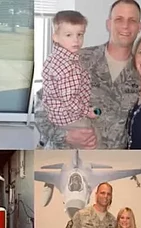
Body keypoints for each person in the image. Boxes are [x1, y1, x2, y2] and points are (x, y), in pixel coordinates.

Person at [34, 0, 141, 149]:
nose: (125, 26)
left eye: (132, 20)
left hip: (109, 162)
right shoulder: (77, 59)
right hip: (65, 156)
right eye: (119, 19)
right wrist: (64, 135)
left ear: (139, 27)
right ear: (108, 23)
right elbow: (42, 106)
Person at [41, 11, 101, 149]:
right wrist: (87, 111)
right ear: (55, 37)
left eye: (80, 34)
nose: (76, 40)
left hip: (57, 117)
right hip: (71, 119)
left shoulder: (53, 58)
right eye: (69, 35)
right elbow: (69, 100)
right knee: (93, 141)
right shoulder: (68, 66)